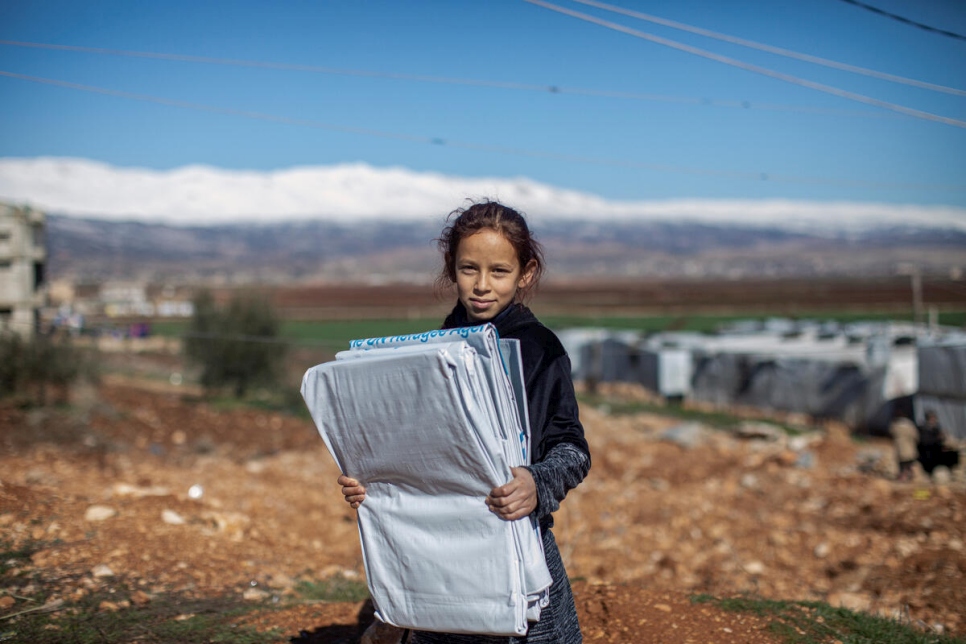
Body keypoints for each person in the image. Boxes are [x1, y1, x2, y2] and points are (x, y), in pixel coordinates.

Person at [339, 200, 591, 644]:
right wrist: (372, 480)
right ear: (450, 267)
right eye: (468, 269)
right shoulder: (431, 348)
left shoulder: (540, 349)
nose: (481, 286)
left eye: (499, 271)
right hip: (438, 562)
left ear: (526, 273)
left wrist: (536, 483)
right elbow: (408, 444)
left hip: (516, 552)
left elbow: (571, 448)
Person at [917, 410, 959, 475]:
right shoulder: (923, 429)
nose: (934, 420)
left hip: (936, 450)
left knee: (953, 453)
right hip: (928, 453)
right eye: (932, 418)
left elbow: (940, 440)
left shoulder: (936, 428)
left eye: (934, 418)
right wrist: (938, 438)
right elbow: (925, 442)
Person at [889, 407, 918, 482]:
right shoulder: (910, 425)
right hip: (910, 447)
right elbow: (916, 436)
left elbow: (891, 433)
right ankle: (909, 476)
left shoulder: (895, 425)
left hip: (900, 447)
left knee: (902, 464)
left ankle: (904, 477)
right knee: (908, 463)